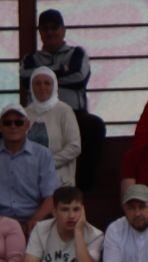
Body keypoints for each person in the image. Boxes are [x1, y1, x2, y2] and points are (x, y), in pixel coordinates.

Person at [21, 9, 103, 187]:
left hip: (74, 113)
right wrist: (63, 70)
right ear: (40, 32)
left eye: (54, 28)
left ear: (63, 30)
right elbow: (26, 78)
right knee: (10, 126)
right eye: (45, 29)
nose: (50, 32)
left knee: (94, 126)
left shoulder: (77, 54)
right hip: (36, 114)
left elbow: (79, 77)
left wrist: (45, 74)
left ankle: (84, 186)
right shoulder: (30, 59)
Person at [0, 103, 56, 233]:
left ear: (27, 125)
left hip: (33, 220)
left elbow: (50, 197)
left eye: (18, 122)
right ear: (0, 126)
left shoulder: (43, 154)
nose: (13, 126)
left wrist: (35, 220)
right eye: (7, 123)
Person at [24, 68, 81, 187]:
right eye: (37, 83)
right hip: (29, 179)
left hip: (59, 181)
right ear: (31, 87)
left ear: (54, 86)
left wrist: (47, 163)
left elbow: (74, 146)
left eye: (47, 83)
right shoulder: (26, 113)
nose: (42, 87)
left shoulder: (64, 110)